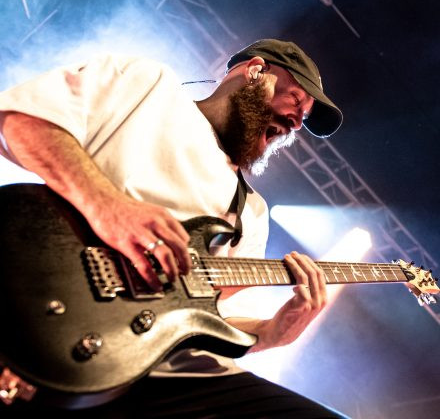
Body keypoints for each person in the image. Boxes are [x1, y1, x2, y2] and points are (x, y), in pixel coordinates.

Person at [0, 39, 348, 417]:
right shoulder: (150, 86)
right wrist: (105, 205)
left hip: (156, 369)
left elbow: (213, 321)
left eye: (303, 119)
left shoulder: (251, 212)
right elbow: (19, 121)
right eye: (296, 100)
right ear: (255, 70)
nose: (296, 123)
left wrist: (269, 333)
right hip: (41, 304)